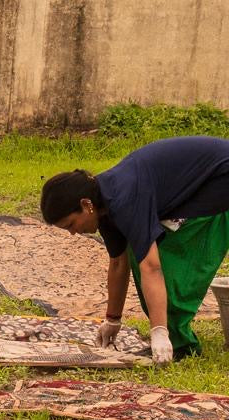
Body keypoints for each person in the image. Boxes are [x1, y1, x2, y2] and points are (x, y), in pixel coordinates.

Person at [40, 136, 229, 363]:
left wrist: (158, 332)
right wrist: (112, 319)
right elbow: (118, 263)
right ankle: (177, 340)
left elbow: (151, 266)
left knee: (159, 259)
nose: (73, 233)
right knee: (141, 252)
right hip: (201, 187)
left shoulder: (124, 199)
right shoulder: (104, 205)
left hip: (220, 178)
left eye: (71, 224)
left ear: (85, 205)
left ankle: (175, 342)